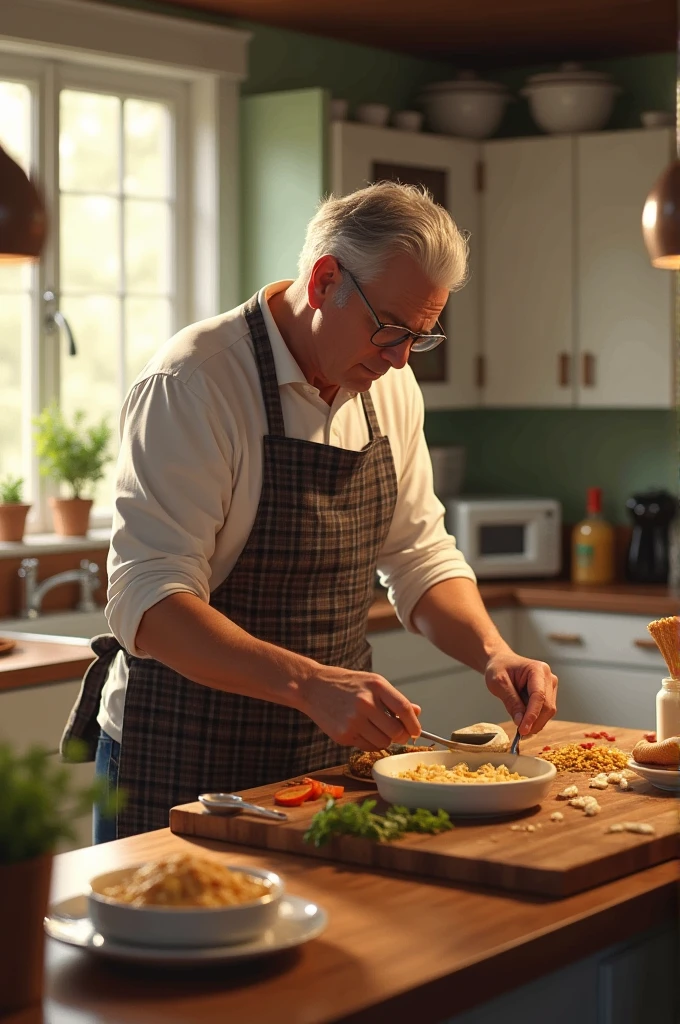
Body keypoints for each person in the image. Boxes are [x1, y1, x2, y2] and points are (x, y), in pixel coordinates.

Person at [61, 182, 558, 841]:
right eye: (389, 329)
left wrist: (493, 653)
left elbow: (418, 555)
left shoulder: (389, 384)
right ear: (326, 281)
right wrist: (310, 685)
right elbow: (150, 603)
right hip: (185, 754)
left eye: (421, 335)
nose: (401, 358)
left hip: (328, 758)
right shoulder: (195, 383)